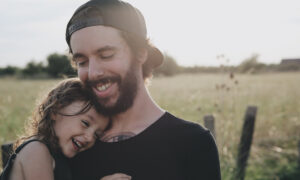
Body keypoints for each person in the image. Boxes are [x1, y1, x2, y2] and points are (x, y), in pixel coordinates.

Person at [66, 0, 221, 179]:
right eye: (82, 62)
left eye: (106, 55)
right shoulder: (73, 141)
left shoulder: (192, 142)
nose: (93, 73)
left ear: (141, 53)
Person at [0, 78, 131, 180]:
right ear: (56, 109)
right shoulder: (37, 150)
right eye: (85, 123)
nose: (90, 137)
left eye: (97, 135)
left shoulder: (58, 157)